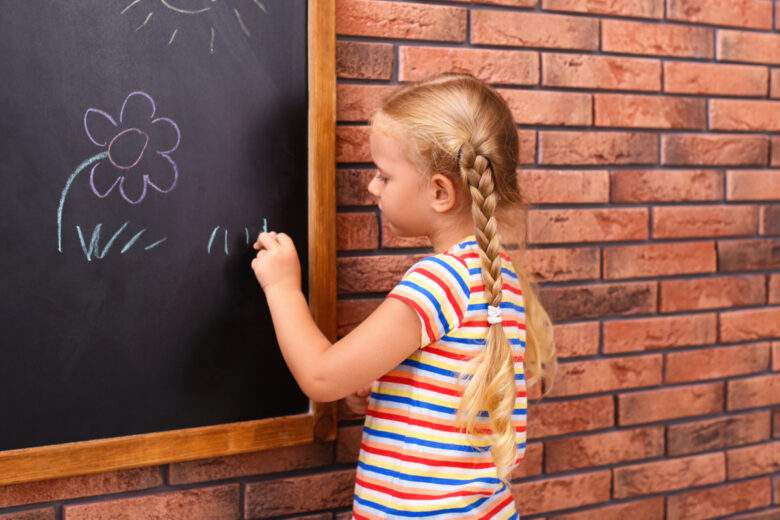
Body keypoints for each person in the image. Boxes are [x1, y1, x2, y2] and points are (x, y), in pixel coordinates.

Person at [251, 73, 558, 519]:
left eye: (384, 176)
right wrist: (384, 385)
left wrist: (282, 287)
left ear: (439, 191)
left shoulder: (437, 281)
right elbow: (448, 382)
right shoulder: (497, 274)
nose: (372, 188)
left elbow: (321, 377)